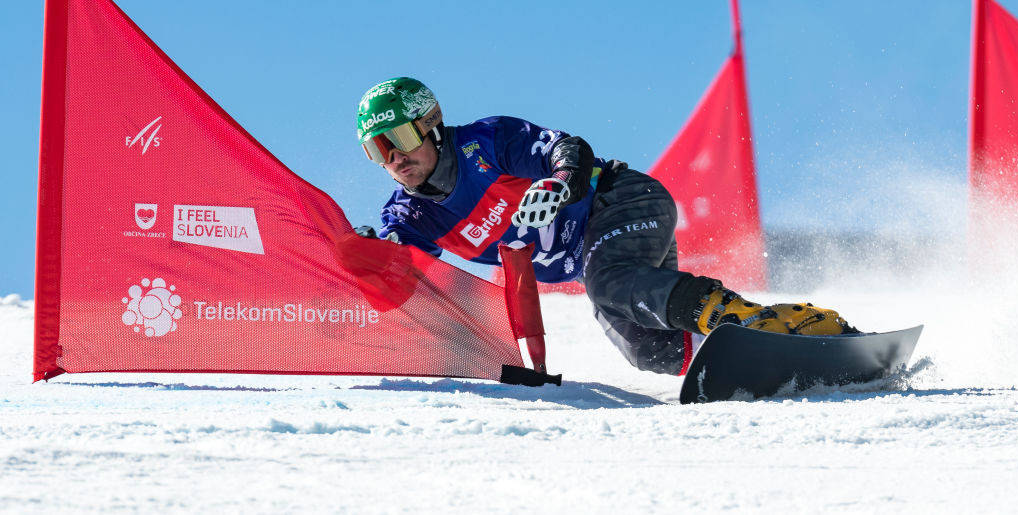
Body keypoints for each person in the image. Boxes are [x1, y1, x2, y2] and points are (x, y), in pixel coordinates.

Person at [354, 77, 855, 375]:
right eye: (378, 149)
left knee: (610, 282)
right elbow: (397, 278)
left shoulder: (484, 142)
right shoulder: (409, 217)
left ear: (431, 124)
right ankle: (776, 349)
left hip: (622, 201)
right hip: (597, 259)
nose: (394, 157)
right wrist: (365, 257)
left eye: (400, 137)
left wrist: (561, 183)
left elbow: (567, 149)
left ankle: (746, 321)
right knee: (648, 349)